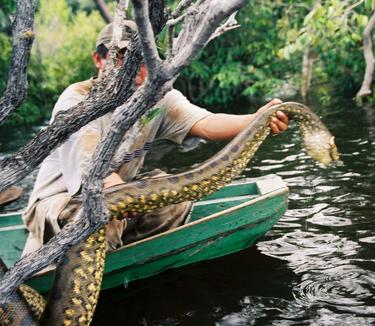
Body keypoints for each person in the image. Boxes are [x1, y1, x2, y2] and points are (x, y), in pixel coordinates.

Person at [22, 20, 289, 255]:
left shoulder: (157, 97)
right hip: (57, 204)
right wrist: (123, 198)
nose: (135, 69)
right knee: (102, 213)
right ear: (98, 59)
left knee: (174, 194)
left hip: (119, 198)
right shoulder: (77, 100)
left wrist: (257, 119)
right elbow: (94, 176)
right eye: (123, 58)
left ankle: (124, 257)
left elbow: (206, 122)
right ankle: (72, 257)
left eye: (143, 60)